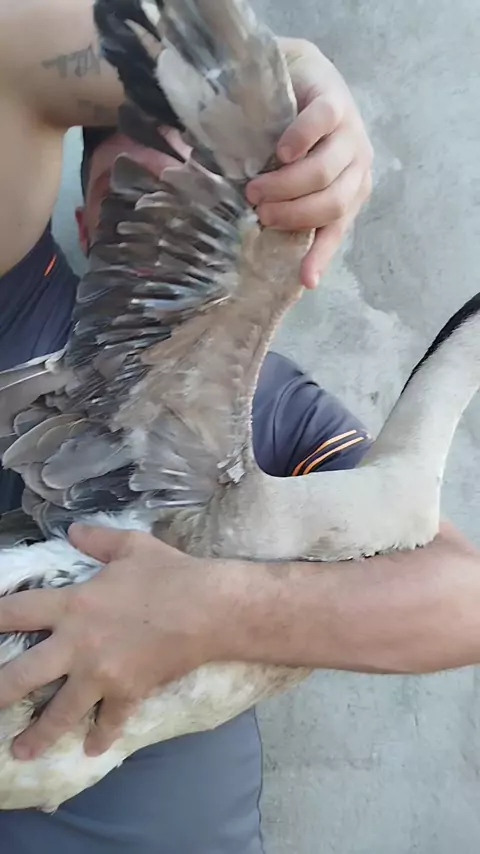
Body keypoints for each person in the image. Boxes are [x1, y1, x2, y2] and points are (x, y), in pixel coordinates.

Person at [0, 2, 477, 853]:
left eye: (201, 194)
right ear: (85, 218)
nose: (168, 240)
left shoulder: (272, 402)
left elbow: (461, 599)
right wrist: (279, 65)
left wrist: (205, 610)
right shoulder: (17, 301)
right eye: (138, 200)